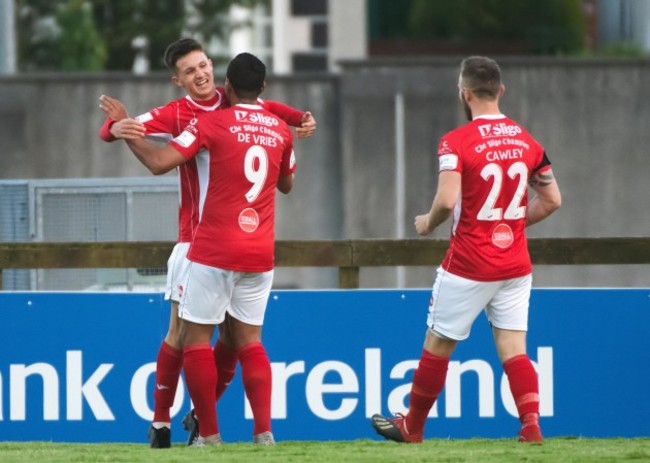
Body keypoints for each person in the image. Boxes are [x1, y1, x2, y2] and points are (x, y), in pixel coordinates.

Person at [98, 38, 316, 448]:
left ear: (221, 77)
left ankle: (204, 424)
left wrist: (302, 117)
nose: (200, 75)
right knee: (184, 335)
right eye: (190, 71)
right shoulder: (180, 113)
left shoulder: (219, 115)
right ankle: (164, 422)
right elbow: (113, 130)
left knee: (222, 341)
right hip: (205, 242)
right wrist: (115, 127)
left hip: (215, 246)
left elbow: (277, 109)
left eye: (204, 66)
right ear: (177, 80)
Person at [370, 56, 561, 444]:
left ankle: (413, 427)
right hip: (514, 265)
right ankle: (531, 426)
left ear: (464, 92)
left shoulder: (455, 141)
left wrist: (428, 221)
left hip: (469, 264)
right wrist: (509, 225)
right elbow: (553, 199)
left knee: (437, 343)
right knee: (513, 348)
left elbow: (446, 199)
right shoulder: (527, 141)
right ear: (500, 91)